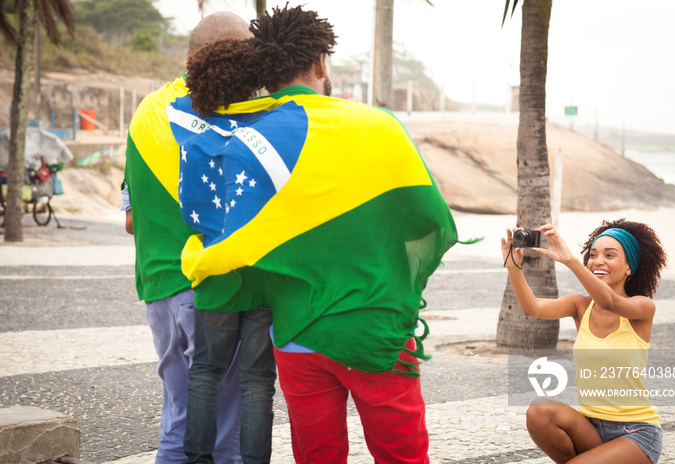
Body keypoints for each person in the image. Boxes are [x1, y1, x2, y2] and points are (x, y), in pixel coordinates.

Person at [176, 5, 458, 463]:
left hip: (296, 335)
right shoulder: (379, 127)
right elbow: (433, 222)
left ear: (263, 73)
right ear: (321, 63)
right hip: (376, 329)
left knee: (317, 456)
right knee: (402, 455)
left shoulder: (243, 139)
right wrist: (396, 281)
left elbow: (230, 239)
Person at [121, 11, 254, 464]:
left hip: (158, 291)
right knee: (223, 436)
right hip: (209, 293)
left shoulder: (145, 113)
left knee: (178, 421)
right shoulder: (227, 116)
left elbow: (131, 220)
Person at [177, 38, 278, 464]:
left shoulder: (183, 119)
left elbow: (181, 96)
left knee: (205, 371)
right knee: (257, 380)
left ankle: (197, 459)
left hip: (213, 265)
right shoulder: (271, 125)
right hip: (260, 267)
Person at [501, 219, 667, 464]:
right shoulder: (581, 306)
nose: (598, 261)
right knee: (539, 411)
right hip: (590, 427)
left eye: (609, 255)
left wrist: (569, 260)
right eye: (593, 255)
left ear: (629, 267)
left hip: (635, 433)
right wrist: (512, 265)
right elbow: (532, 307)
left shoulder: (641, 307)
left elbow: (610, 302)